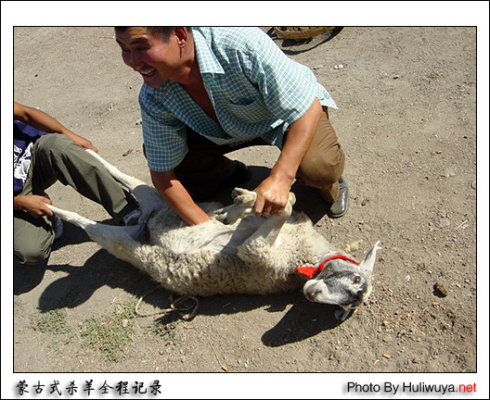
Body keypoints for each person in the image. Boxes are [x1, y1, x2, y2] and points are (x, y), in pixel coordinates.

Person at [114, 27, 348, 226]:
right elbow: (163, 174)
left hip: (282, 117)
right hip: (218, 131)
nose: (133, 63)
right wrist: (208, 230)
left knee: (320, 166)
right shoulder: (154, 95)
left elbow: (308, 108)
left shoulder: (239, 45)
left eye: (141, 48)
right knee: (165, 156)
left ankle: (330, 184)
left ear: (179, 35)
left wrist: (281, 178)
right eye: (124, 50)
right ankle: (227, 174)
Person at [13, 101, 141, 265]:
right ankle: (46, 216)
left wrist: (67, 134)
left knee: (58, 145)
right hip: (16, 196)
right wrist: (19, 203)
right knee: (31, 252)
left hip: (33, 158)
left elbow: (25, 113)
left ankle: (127, 211)